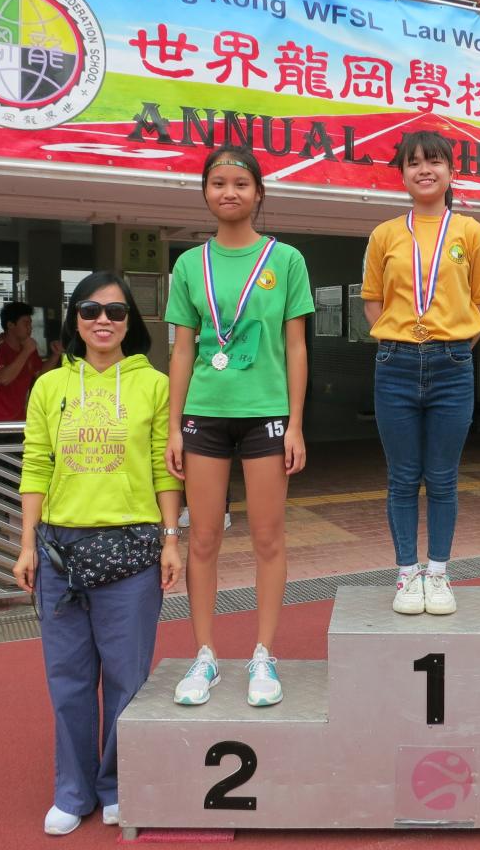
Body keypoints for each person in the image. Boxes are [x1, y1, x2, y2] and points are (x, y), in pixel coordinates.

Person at [15, 272, 183, 836]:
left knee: (127, 678)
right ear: (75, 320)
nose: (103, 320)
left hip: (131, 550)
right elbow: (36, 465)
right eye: (90, 310)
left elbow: (165, 468)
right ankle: (73, 788)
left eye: (115, 311)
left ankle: (116, 785)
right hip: (59, 551)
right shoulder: (48, 387)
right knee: (67, 677)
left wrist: (171, 538)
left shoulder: (154, 385)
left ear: (130, 321)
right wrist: (26, 545)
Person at [165, 146, 314, 709]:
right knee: (203, 538)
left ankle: (263, 654)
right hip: (205, 414)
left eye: (241, 183)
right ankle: (204, 655)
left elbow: (295, 347)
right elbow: (182, 350)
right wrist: (175, 427)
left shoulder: (287, 260)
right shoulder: (189, 265)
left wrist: (295, 423)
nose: (229, 192)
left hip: (266, 415)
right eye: (218, 183)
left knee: (268, 538)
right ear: (205, 191)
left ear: (258, 193)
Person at [361, 130, 480, 616]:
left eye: (435, 161)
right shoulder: (384, 234)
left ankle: (437, 572)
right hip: (395, 364)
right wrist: (398, 337)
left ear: (451, 172)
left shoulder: (471, 232)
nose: (425, 169)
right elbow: (373, 299)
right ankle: (406, 573)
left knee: (442, 478)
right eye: (414, 162)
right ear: (402, 174)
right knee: (402, 477)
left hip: (452, 365)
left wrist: (455, 346)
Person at [0, 301, 63, 444]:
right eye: (26, 323)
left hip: (16, 420)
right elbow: (4, 379)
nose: (30, 328)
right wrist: (26, 351)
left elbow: (40, 375)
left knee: (20, 457)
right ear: (10, 325)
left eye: (30, 323)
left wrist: (55, 355)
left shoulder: (28, 348)